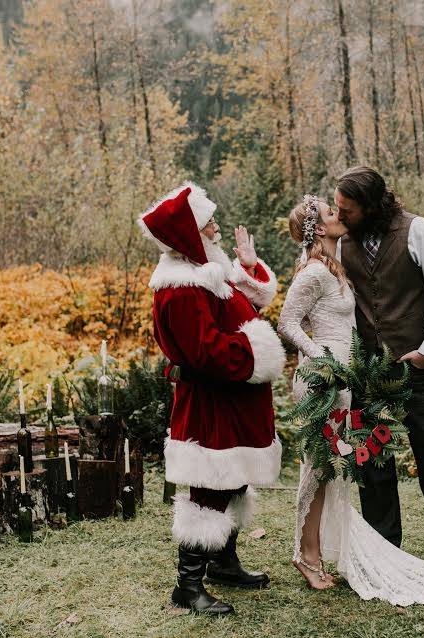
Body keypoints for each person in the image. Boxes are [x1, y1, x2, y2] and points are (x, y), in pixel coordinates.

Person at [277, 194, 424, 605]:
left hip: (348, 378)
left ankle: (315, 553)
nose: (340, 215)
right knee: (319, 468)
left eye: (342, 208)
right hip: (325, 379)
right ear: (319, 228)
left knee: (334, 468)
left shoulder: (336, 262)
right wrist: (322, 359)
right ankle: (305, 555)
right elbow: (287, 323)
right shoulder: (315, 271)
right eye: (332, 212)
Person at [139, 182, 285, 615]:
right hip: (212, 402)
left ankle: (223, 562)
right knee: (208, 486)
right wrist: (256, 352)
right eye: (209, 222)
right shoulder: (181, 285)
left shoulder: (209, 266)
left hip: (233, 399)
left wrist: (249, 264)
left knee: (233, 477)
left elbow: (255, 296)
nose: (217, 226)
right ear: (191, 232)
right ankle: (187, 586)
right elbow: (202, 349)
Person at [335, 166, 424, 570]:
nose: (339, 215)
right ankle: (385, 548)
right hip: (368, 371)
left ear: (371, 205)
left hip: (416, 366)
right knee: (373, 460)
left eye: (347, 210)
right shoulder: (342, 244)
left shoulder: (419, 231)